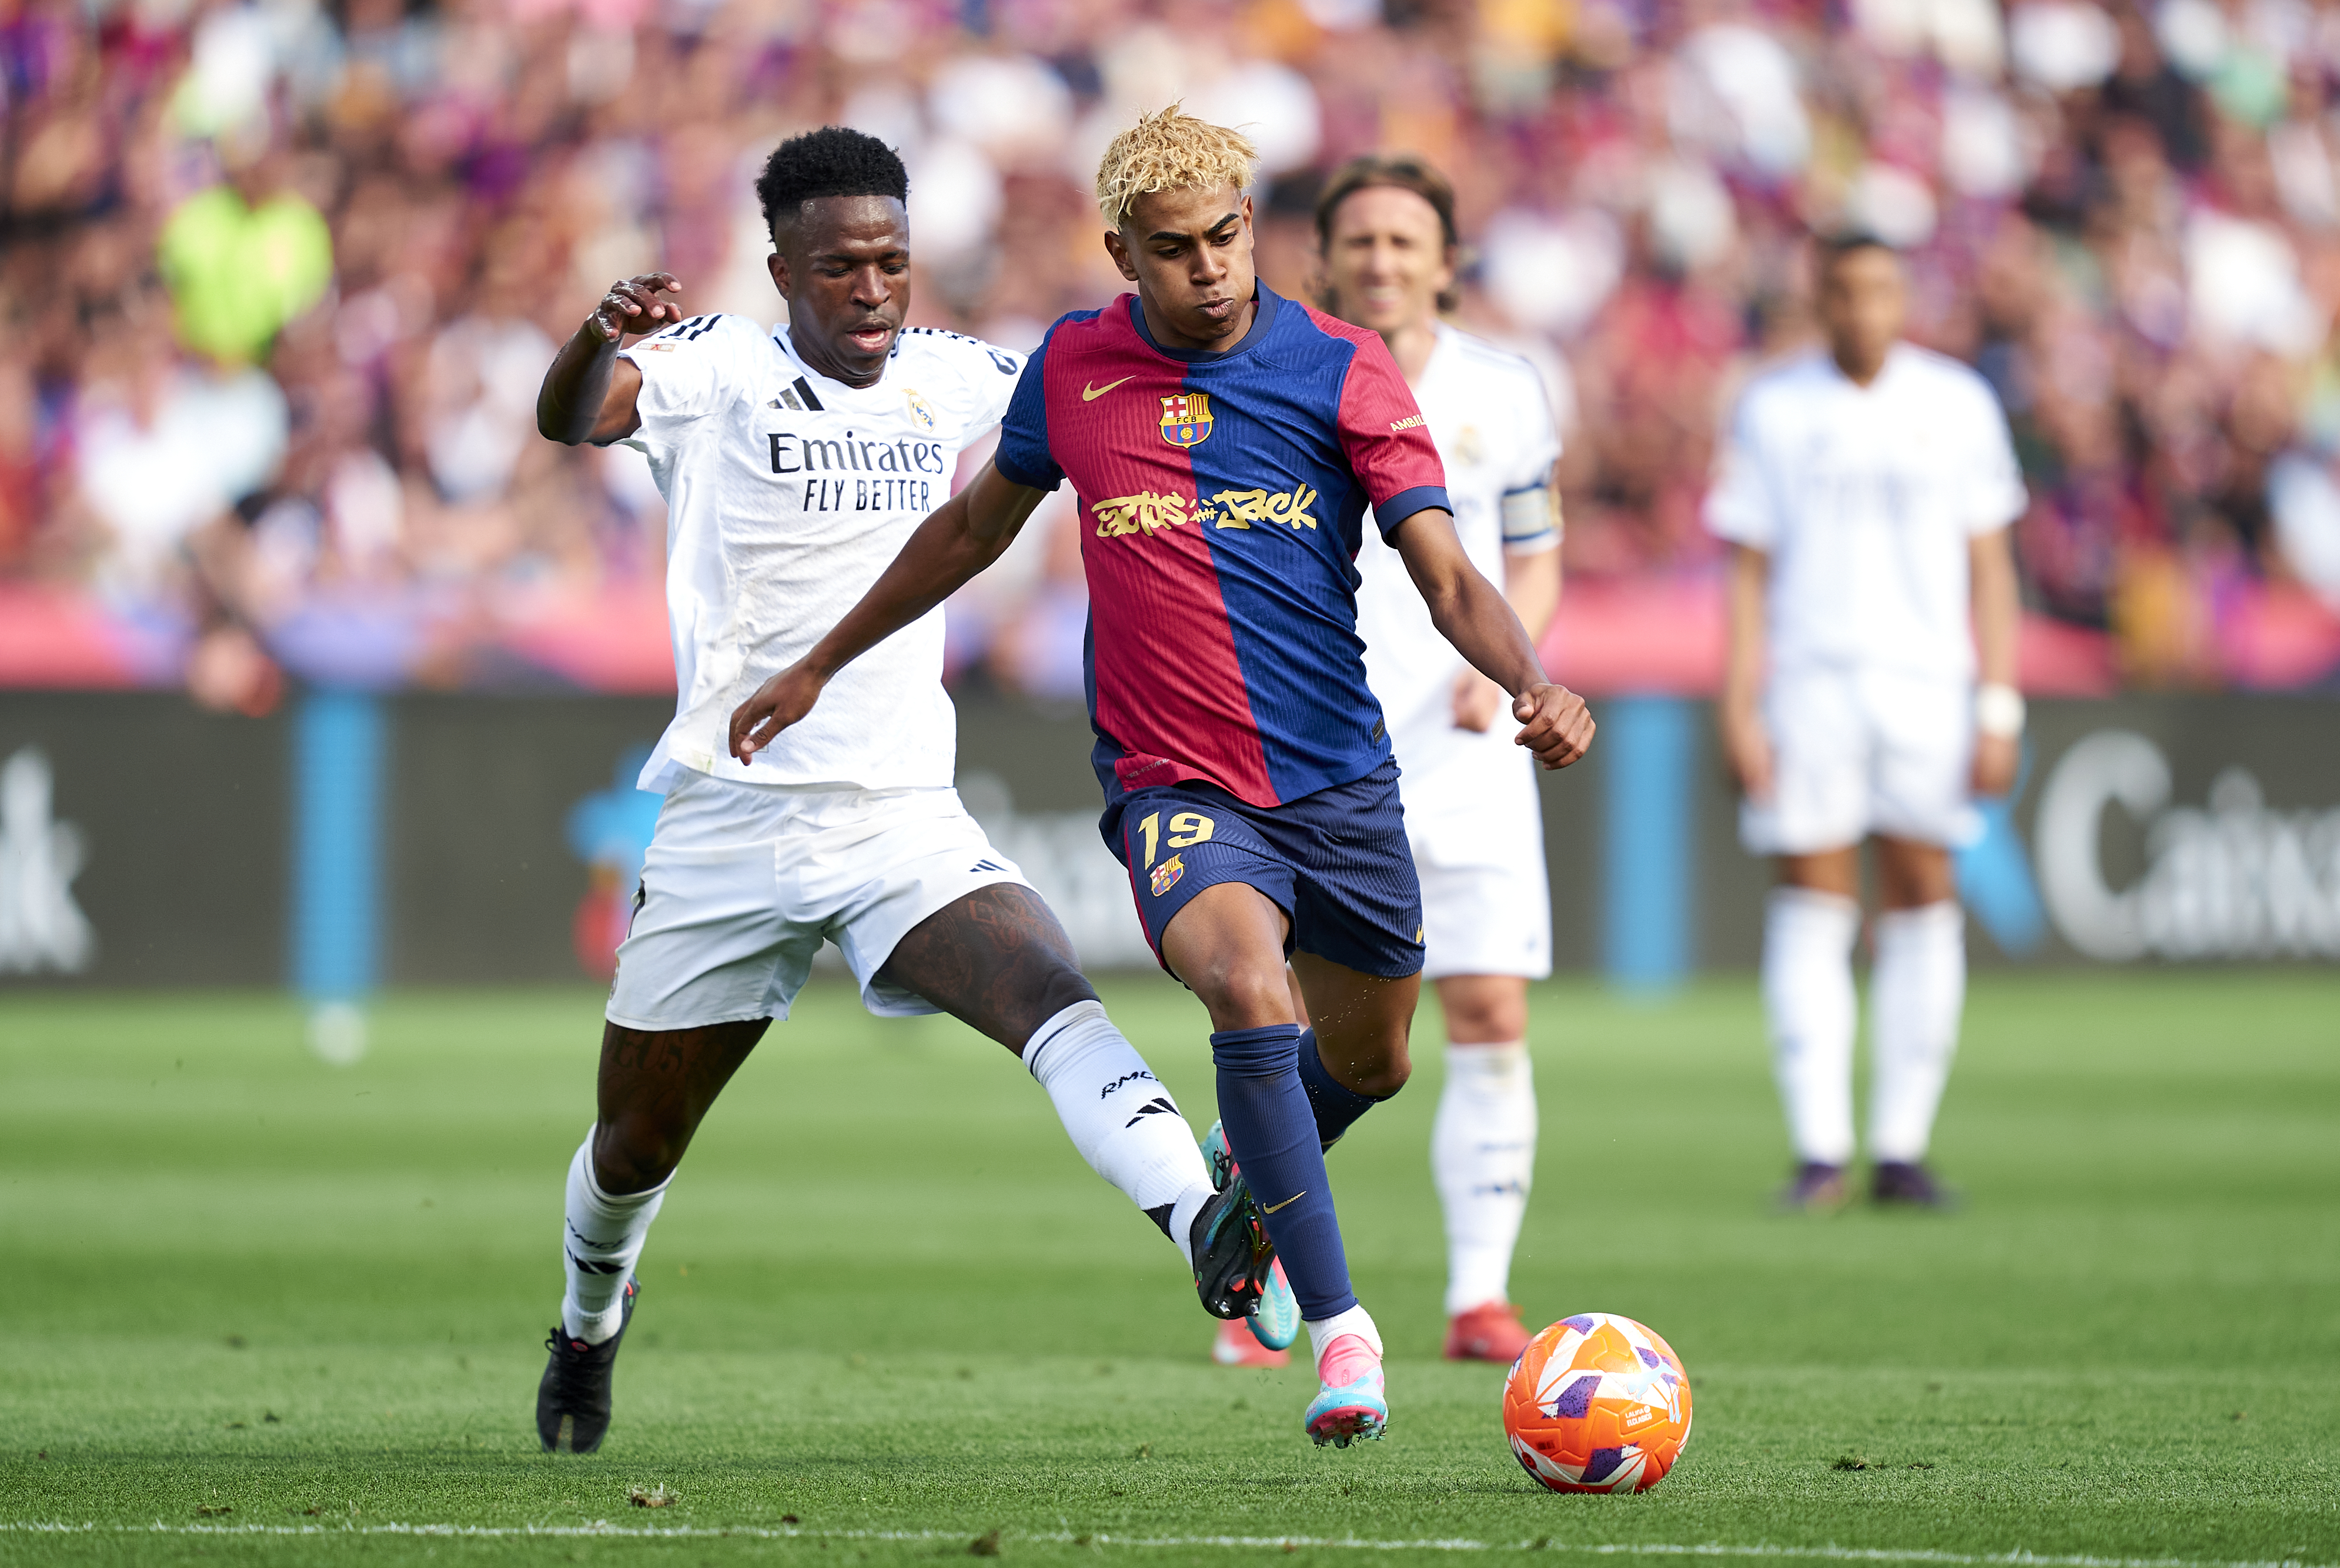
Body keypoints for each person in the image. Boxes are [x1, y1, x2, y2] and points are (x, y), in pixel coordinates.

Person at [728, 106, 1597, 1448]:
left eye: (1227, 238)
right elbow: (969, 529)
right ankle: (1341, 1336)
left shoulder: (1343, 369)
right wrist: (820, 660)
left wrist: (1529, 674)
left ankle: (1244, 1178)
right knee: (1249, 991)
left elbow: (1441, 568)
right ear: (1121, 250)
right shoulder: (1073, 368)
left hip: (1338, 782)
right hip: (1173, 779)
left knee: (1368, 1061)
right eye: (1174, 248)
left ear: (1253, 229)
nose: (1208, 269)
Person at [526, 126, 1285, 1456]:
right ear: (782, 269)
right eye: (839, 268)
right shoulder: (712, 368)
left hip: (896, 819)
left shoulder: (953, 378)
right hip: (729, 818)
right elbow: (572, 412)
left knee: (1049, 991)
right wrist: (597, 331)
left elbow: (1085, 405)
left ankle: (1196, 1211)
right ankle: (589, 1317)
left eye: (890, 262)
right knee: (634, 1140)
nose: (872, 289)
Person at [1246, 153, 1560, 1369]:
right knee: (1288, 1026)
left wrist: (1512, 666)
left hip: (1465, 741)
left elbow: (1532, 549)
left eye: (1403, 241)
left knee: (1485, 1007)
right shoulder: (1276, 378)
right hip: (1311, 748)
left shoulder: (1505, 390)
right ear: (1319, 261)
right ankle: (1259, 1255)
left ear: (1446, 261)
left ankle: (1479, 1294)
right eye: (1358, 242)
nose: (1380, 261)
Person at [1705, 233, 2025, 1212]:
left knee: (1926, 889)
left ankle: (1900, 1144)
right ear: (1821, 299)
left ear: (1904, 297)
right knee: (1814, 892)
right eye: (1845, 291)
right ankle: (1819, 1147)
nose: (1864, 308)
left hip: (1931, 682)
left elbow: (1992, 567)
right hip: (1812, 681)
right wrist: (1740, 700)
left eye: (1882, 289)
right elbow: (1748, 572)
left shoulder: (1958, 403)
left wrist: (2000, 701)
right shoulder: (1773, 405)